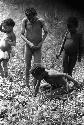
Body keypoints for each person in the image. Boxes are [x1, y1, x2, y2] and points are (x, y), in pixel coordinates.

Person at [21, 7, 48, 88]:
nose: (30, 19)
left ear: (35, 15)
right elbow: (21, 34)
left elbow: (46, 32)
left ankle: (34, 84)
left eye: (32, 18)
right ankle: (27, 83)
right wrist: (29, 43)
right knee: (27, 65)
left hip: (37, 47)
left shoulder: (41, 21)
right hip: (28, 47)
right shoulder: (25, 21)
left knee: (37, 66)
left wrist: (41, 43)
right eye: (28, 18)